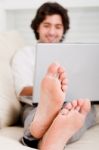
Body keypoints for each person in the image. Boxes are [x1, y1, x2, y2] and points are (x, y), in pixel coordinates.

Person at [11, 2, 99, 149]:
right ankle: (47, 118)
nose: (52, 32)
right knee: (37, 113)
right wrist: (47, 94)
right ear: (37, 27)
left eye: (58, 27)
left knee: (84, 109)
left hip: (74, 102)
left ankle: (39, 139)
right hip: (35, 105)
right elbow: (22, 90)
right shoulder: (25, 54)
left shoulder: (76, 54)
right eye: (46, 25)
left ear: (63, 30)